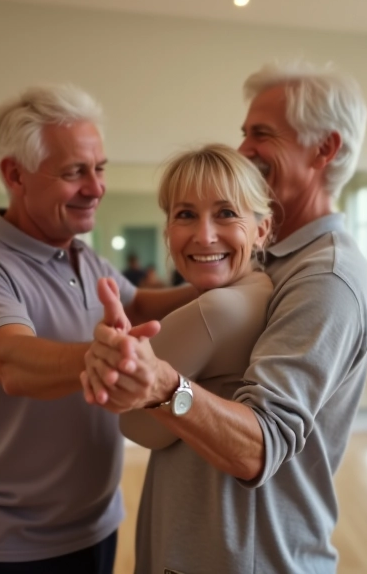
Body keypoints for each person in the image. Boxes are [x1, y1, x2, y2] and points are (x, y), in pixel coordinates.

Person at [83, 61, 367, 573]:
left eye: (262, 134)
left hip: (248, 556)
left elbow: (260, 446)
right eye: (244, 133)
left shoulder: (325, 277)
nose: (244, 149)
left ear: (324, 149)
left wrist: (163, 386)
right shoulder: (263, 265)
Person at [0, 84, 197, 574]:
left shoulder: (82, 253)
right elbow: (12, 360)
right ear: (15, 174)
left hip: (97, 522)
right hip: (11, 545)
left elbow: (138, 304)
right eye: (75, 172)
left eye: (99, 169)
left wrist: (229, 282)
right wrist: (100, 358)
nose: (96, 188)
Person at [96, 143, 274, 564]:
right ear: (167, 231)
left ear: (261, 229)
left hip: (204, 538)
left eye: (226, 213)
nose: (204, 234)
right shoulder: (261, 288)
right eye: (186, 215)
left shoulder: (214, 310)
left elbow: (136, 426)